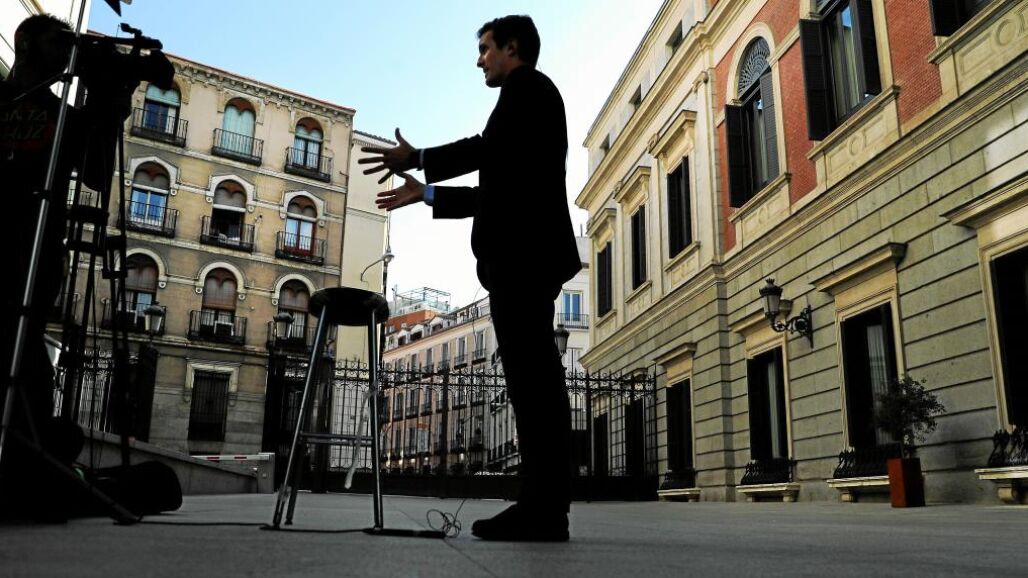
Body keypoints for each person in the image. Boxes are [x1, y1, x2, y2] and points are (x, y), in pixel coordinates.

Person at [362, 14, 581, 542]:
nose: (479, 59)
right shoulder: (529, 103)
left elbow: (483, 151)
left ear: (512, 47)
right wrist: (426, 192)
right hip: (526, 258)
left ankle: (542, 508)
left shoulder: (527, 89)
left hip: (523, 259)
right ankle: (545, 505)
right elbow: (494, 193)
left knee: (533, 384)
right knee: (534, 382)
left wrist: (419, 158)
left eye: (485, 48)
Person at [0, 14, 135, 521]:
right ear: (26, 43)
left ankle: (26, 459)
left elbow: (98, 175)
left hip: (35, 250)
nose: (66, 51)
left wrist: (109, 104)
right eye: (58, 41)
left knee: (26, 351)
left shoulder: (64, 116)